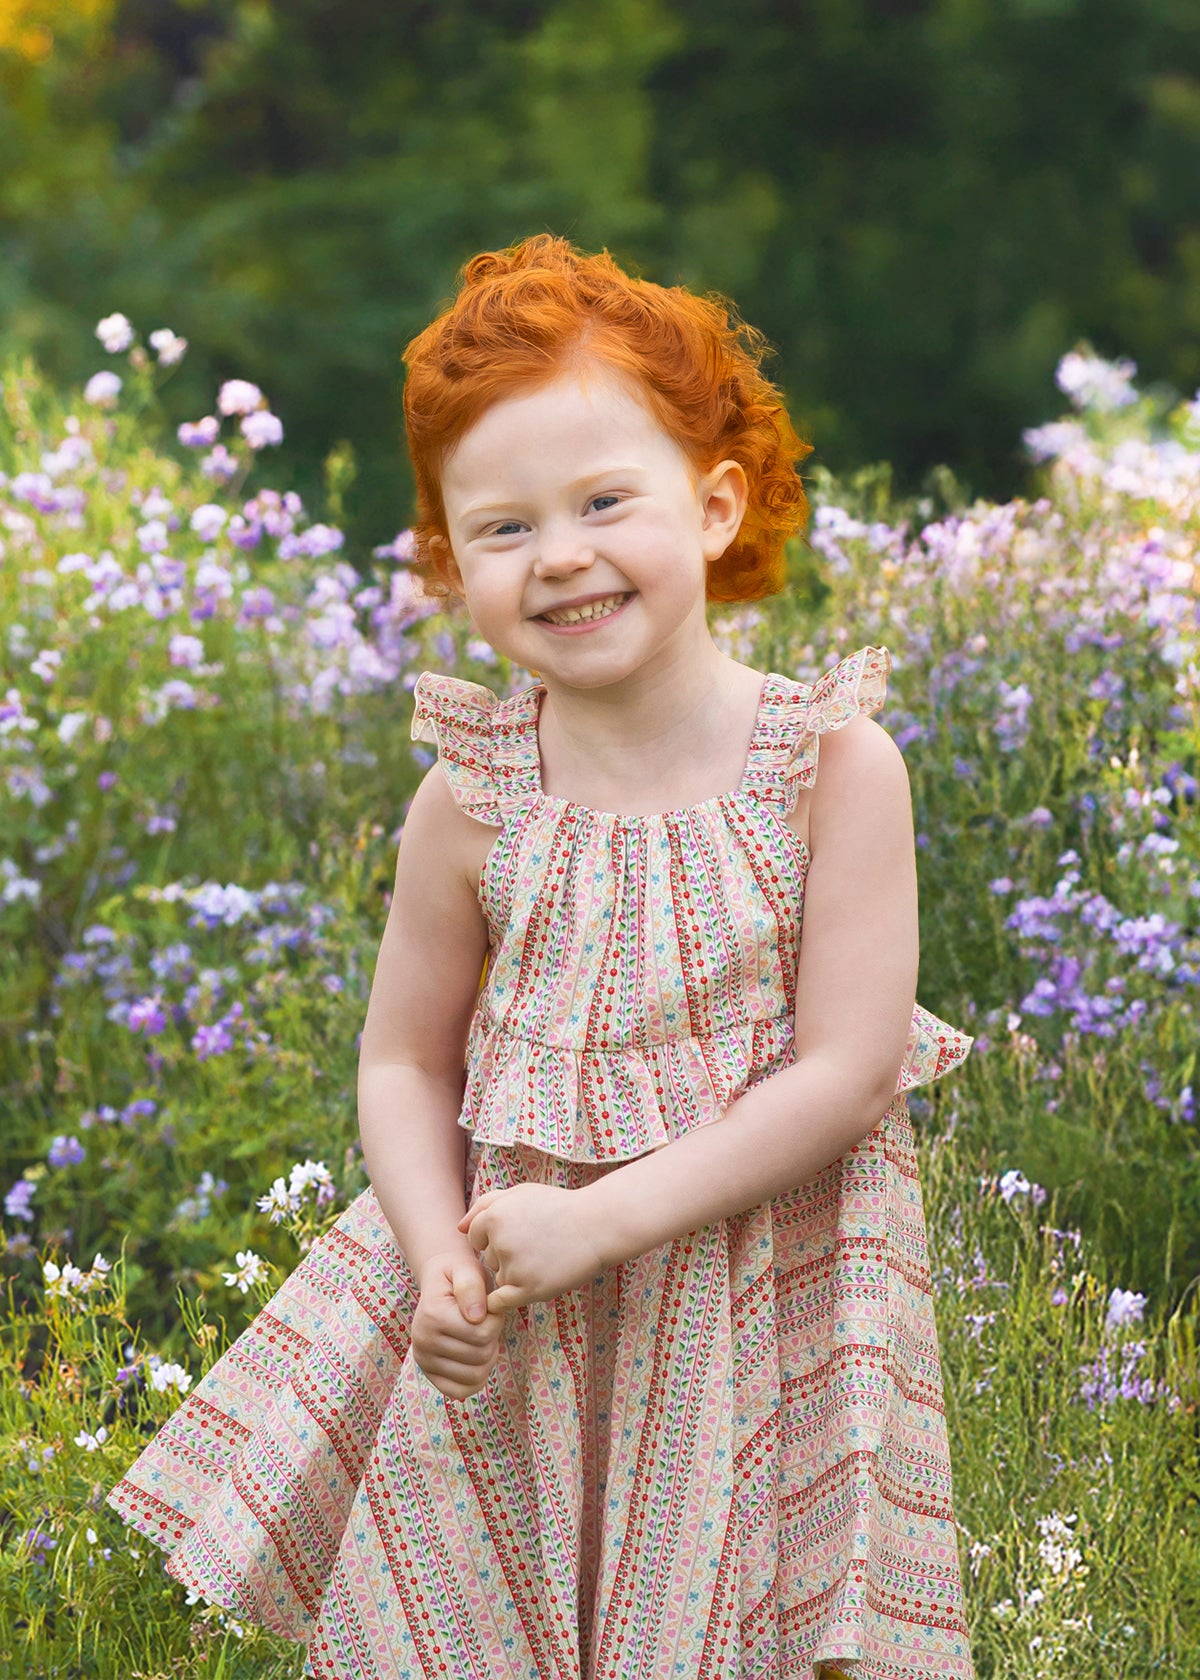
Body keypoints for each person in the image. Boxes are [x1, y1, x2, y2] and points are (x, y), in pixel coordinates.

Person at [108, 234, 976, 1680]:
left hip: (744, 1293)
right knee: (483, 1618)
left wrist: (607, 1219)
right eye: (501, 529)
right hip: (514, 1316)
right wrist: (438, 1246)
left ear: (712, 509)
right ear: (453, 567)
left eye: (603, 502)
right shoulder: (472, 797)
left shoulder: (829, 766)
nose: (559, 553)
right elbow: (401, 1056)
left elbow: (848, 1070)